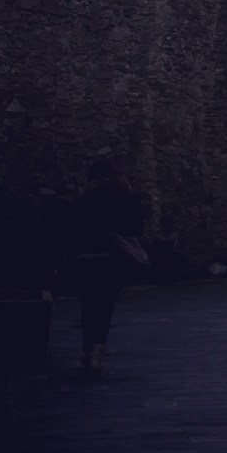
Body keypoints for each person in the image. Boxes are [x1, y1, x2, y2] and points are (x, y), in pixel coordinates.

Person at [62, 160, 146, 376]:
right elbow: (136, 227)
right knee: (104, 308)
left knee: (89, 306)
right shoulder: (120, 200)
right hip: (111, 262)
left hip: (86, 261)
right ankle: (97, 349)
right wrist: (130, 194)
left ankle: (88, 348)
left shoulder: (84, 201)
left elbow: (70, 227)